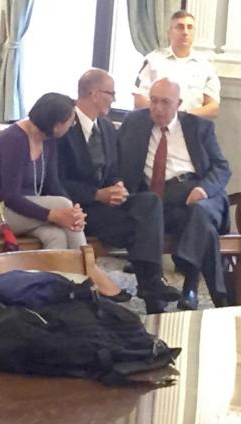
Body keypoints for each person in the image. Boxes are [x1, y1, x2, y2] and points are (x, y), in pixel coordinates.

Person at [0, 92, 129, 301]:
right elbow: (11, 196)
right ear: (56, 124)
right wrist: (53, 214)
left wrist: (74, 211)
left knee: (55, 236)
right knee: (61, 206)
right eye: (69, 122)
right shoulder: (14, 140)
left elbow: (53, 185)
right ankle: (89, 269)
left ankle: (54, 293)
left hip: (28, 213)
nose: (72, 126)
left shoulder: (47, 140)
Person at [57, 69, 181, 313]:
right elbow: (58, 182)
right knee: (140, 226)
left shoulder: (105, 125)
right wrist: (97, 195)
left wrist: (118, 187)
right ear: (94, 94)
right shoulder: (65, 125)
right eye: (110, 93)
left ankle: (151, 284)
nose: (114, 99)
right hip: (79, 210)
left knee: (149, 203)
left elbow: (113, 170)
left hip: (106, 207)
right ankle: (151, 290)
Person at [118, 78, 231, 311]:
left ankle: (187, 275)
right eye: (154, 101)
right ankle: (214, 295)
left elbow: (222, 167)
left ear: (178, 103)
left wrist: (203, 189)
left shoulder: (199, 127)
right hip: (161, 202)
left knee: (199, 211)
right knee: (202, 228)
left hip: (198, 192)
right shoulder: (135, 123)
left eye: (165, 102)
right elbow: (117, 162)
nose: (158, 108)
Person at [132, 10, 220, 119]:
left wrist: (181, 117)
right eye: (180, 27)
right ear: (169, 33)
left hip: (189, 127)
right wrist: (163, 114)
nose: (185, 32)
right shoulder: (153, 59)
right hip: (155, 125)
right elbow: (139, 99)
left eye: (190, 27)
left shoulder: (206, 66)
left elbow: (213, 108)